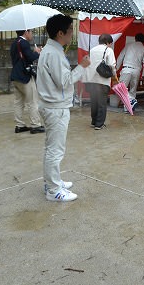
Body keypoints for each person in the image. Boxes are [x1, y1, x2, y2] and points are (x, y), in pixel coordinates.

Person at [36, 14, 90, 202]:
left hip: (51, 105)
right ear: (60, 33)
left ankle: (52, 181)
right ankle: (53, 189)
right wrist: (82, 66)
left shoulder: (52, 50)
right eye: (69, 30)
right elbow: (64, 81)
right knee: (55, 150)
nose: (71, 34)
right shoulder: (53, 53)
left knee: (51, 148)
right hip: (55, 107)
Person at [9, 29, 44, 134]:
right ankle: (35, 125)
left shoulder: (15, 43)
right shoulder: (24, 43)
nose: (32, 34)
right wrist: (38, 52)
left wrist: (32, 52)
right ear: (26, 32)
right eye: (31, 32)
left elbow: (22, 58)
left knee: (18, 102)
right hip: (24, 76)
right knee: (32, 101)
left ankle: (19, 125)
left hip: (15, 76)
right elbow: (29, 58)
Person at [84, 33, 116, 130]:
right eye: (110, 43)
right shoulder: (108, 50)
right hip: (102, 80)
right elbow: (112, 65)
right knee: (102, 103)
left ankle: (94, 122)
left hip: (91, 80)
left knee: (94, 102)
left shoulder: (92, 50)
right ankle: (99, 124)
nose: (110, 45)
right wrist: (114, 75)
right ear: (107, 42)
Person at [116, 33, 144, 111]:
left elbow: (120, 56)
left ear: (135, 38)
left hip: (126, 69)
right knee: (133, 90)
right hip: (137, 71)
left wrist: (116, 68)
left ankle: (130, 101)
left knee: (121, 88)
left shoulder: (128, 45)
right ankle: (128, 108)